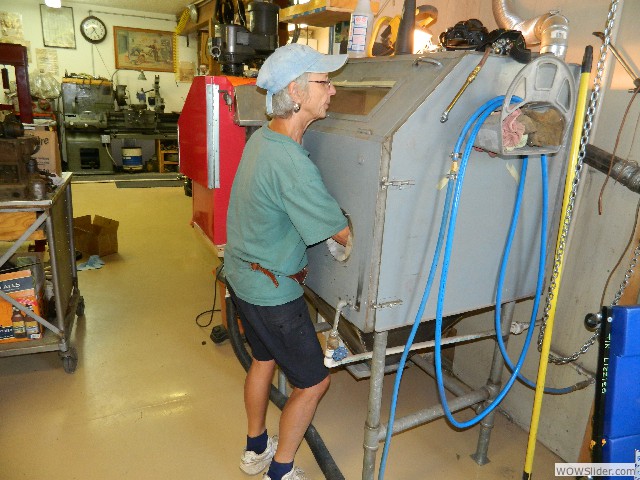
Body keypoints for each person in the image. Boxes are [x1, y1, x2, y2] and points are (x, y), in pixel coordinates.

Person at [224, 43, 350, 480]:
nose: (332, 91)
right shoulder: (291, 163)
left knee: (262, 360)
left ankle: (255, 448)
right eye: (325, 82)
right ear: (296, 91)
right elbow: (341, 231)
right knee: (315, 382)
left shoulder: (263, 138)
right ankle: (280, 471)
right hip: (273, 293)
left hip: (243, 278)